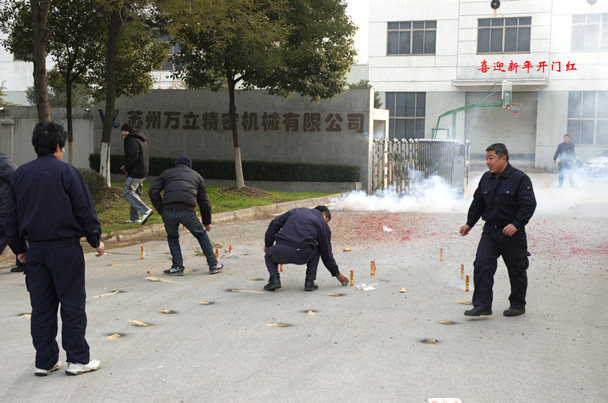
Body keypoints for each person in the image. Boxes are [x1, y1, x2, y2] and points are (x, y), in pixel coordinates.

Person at [5, 122, 105, 376]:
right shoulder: (68, 173)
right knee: (71, 303)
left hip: (35, 250)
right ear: (59, 147)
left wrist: (19, 248)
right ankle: (77, 360)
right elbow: (85, 210)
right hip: (64, 249)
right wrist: (95, 239)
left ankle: (45, 361)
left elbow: (11, 217)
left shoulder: (20, 175)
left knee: (41, 307)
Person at [459, 143, 536, 317]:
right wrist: (469, 224)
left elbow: (528, 205)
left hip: (512, 234)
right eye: (486, 158)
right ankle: (482, 305)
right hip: (490, 232)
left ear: (504, 159)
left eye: (491, 158)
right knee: (482, 264)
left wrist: (516, 224)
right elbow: (478, 203)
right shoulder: (486, 178)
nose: (487, 162)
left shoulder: (519, 178)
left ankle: (517, 304)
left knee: (516, 269)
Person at [148, 155, 224, 276]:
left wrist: (162, 209)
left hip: (168, 210)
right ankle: (213, 264)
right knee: (200, 234)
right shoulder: (197, 176)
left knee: (172, 237)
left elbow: (152, 191)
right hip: (187, 211)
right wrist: (207, 222)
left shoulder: (166, 174)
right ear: (189, 166)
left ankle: (177, 267)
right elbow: (204, 202)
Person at [263, 206, 349, 291]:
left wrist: (268, 245)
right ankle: (309, 282)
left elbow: (274, 223)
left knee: (269, 253)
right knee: (318, 249)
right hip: (303, 255)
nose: (325, 223)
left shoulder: (297, 211)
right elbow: (326, 252)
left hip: (281, 252)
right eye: (326, 220)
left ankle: (274, 279)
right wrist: (336, 273)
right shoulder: (323, 224)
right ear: (324, 214)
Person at [120, 122, 153, 224]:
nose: (122, 133)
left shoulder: (131, 140)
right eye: (121, 131)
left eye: (124, 131)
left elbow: (133, 157)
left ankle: (145, 210)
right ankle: (135, 218)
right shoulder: (140, 139)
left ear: (129, 131)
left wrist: (126, 167)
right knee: (135, 194)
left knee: (127, 192)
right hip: (143, 171)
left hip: (136, 172)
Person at [0, 152, 26, 273]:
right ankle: (23, 261)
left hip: (4, 206)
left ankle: (25, 260)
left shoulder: (1, 160)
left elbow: (17, 177)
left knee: (5, 232)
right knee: (11, 234)